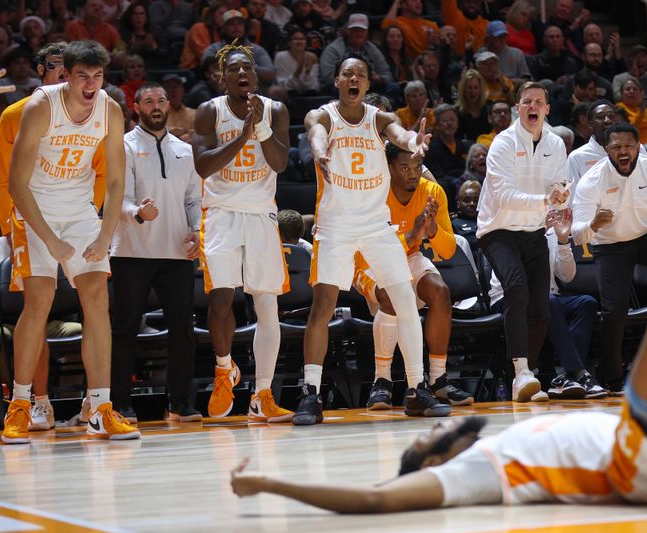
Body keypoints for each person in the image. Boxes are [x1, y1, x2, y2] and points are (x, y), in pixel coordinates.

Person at [231, 309, 647, 521]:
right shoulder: (478, 471)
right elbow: (375, 500)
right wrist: (267, 482)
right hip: (646, 465)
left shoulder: (511, 433)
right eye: (431, 435)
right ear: (437, 457)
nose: (434, 424)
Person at [2, 40, 139, 443]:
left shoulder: (110, 110)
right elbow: (16, 184)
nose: (91, 84)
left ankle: (100, 408)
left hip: (79, 211)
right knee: (39, 300)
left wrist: (104, 232)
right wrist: (51, 240)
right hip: (34, 210)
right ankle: (21, 405)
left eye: (98, 76)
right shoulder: (41, 107)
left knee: (97, 297)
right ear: (67, 74)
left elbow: (115, 182)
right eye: (83, 75)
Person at [297, 54, 436, 425]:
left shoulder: (380, 118)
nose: (354, 78)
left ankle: (416, 388)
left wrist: (414, 142)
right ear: (337, 81)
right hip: (336, 226)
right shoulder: (323, 115)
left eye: (360, 74)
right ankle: (310, 393)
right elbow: (316, 132)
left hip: (376, 224)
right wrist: (318, 150)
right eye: (347, 74)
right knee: (323, 306)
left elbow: (399, 133)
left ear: (368, 84)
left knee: (406, 299)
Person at [191, 42, 293, 423]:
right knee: (221, 298)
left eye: (247, 68)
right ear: (223, 77)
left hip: (261, 214)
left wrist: (260, 127)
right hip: (220, 213)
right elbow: (203, 167)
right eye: (234, 69)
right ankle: (224, 370)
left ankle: (262, 394)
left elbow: (280, 162)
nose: (242, 74)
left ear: (256, 73)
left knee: (267, 304)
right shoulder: (208, 112)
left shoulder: (275, 109)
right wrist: (242, 134)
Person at [0, 44, 85, 433]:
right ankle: (38, 402)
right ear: (39, 70)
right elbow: (2, 178)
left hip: (77, 222)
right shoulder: (18, 113)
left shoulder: (89, 111)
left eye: (71, 68)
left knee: (95, 308)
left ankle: (96, 402)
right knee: (38, 310)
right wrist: (10, 229)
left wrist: (90, 213)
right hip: (31, 225)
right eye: (55, 67)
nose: (64, 74)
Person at [572, 122, 647, 393]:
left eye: (628, 146)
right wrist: (592, 225)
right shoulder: (591, 181)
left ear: (639, 147)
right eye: (616, 147)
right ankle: (612, 376)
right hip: (611, 244)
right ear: (606, 150)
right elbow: (577, 234)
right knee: (614, 309)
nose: (623, 151)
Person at [111, 81, 202, 423]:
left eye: (161, 100)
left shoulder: (185, 149)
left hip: (177, 252)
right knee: (125, 330)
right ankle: (120, 404)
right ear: (137, 108)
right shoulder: (123, 145)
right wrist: (137, 212)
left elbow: (194, 199)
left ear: (168, 105)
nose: (156, 105)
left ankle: (179, 402)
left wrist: (196, 231)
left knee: (182, 330)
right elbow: (117, 198)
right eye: (148, 100)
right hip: (132, 252)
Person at [356, 143, 472, 410]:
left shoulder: (432, 192)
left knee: (440, 291)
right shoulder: (374, 193)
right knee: (390, 296)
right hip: (366, 259)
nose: (412, 173)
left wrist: (431, 229)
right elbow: (366, 247)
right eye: (404, 167)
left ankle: (438, 378)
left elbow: (448, 250)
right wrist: (410, 235)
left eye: (418, 167)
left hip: (408, 255)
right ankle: (382, 381)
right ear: (389, 168)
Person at [477, 81, 569, 403]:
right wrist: (547, 199)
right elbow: (503, 197)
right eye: (527, 101)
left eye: (539, 102)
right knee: (516, 287)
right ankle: (520, 371)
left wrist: (560, 194)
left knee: (541, 308)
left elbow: (558, 185)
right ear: (518, 108)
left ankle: (524, 375)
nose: (533, 106)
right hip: (497, 229)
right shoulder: (502, 144)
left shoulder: (557, 144)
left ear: (547, 109)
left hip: (533, 231)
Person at [490, 209, 605, 399]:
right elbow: (510, 283)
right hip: (508, 298)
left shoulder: (551, 232)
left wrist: (562, 241)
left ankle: (567, 376)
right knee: (548, 302)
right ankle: (578, 372)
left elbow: (567, 276)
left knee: (587, 303)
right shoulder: (509, 233)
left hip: (548, 297)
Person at [566, 100, 647, 189]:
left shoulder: (636, 149)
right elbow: (572, 197)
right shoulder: (577, 157)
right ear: (590, 124)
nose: (607, 120)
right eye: (600, 117)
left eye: (611, 116)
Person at [274, 26, 319, 95]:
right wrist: (297, 73)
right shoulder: (281, 56)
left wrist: (307, 73)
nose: (299, 42)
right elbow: (282, 84)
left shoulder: (312, 57)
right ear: (289, 43)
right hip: (288, 93)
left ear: (306, 43)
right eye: (295, 39)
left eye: (302, 39)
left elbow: (314, 86)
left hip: (308, 93)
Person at [615, 76, 647, 145]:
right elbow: (630, 130)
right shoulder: (619, 109)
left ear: (640, 93)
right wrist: (641, 112)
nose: (631, 91)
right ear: (621, 94)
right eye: (628, 89)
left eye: (635, 89)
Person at [455, 69, 489, 142]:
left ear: (480, 89)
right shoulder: (456, 112)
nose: (472, 92)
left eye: (476, 87)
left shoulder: (487, 110)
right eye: (469, 88)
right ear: (463, 90)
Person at [452, 179, 480, 254]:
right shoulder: (453, 224)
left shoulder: (489, 221)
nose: (472, 204)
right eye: (467, 200)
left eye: (476, 200)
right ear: (458, 203)